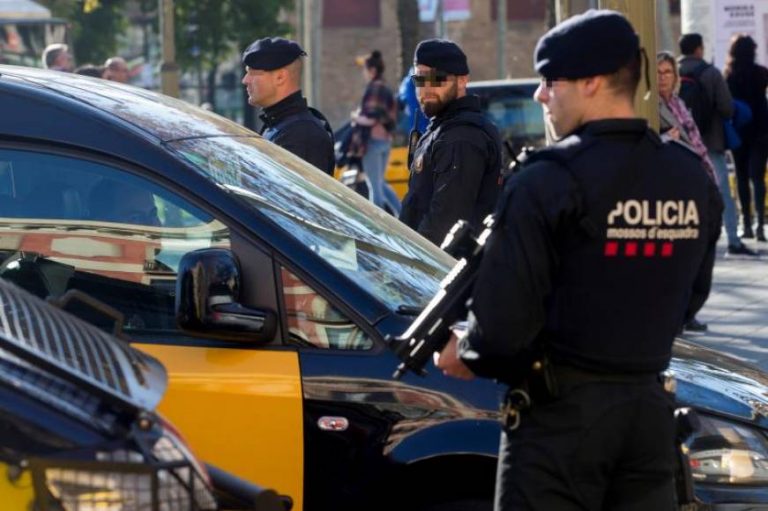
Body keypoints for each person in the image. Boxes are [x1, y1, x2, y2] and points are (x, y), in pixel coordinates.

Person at [435, 10, 722, 510]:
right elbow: (690, 297)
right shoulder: (691, 178)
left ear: (592, 82)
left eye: (550, 80)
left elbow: (502, 331)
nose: (540, 95)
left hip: (559, 426)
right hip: (648, 419)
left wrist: (469, 348)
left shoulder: (545, 181)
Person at [399, 39, 502, 246]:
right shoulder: (441, 128)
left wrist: (409, 263)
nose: (426, 88)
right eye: (420, 78)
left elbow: (444, 224)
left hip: (442, 270)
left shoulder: (462, 137)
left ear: (462, 81)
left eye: (437, 78)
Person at [658, 50, 756, 259]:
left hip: (698, 160)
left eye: (667, 72)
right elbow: (727, 107)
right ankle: (733, 240)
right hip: (684, 167)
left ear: (675, 75)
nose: (663, 76)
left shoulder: (678, 102)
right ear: (700, 48)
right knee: (719, 200)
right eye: (658, 72)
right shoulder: (710, 74)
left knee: (713, 203)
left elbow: (693, 136)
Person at [241, 37, 334, 175]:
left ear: (280, 77)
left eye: (253, 72)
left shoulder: (301, 134)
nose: (245, 80)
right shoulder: (281, 125)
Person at [725, 34, 768, 242]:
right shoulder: (762, 73)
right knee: (758, 178)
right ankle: (761, 224)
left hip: (739, 132)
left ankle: (747, 224)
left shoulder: (729, 76)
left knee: (741, 177)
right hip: (761, 132)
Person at [347, 50, 401, 214]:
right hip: (385, 141)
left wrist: (355, 117)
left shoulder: (374, 88)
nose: (364, 73)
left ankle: (377, 227)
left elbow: (370, 118)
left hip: (372, 141)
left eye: (365, 70)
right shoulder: (385, 88)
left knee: (374, 188)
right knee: (380, 184)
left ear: (372, 70)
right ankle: (404, 215)